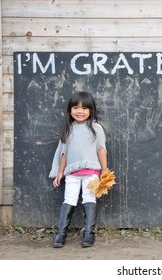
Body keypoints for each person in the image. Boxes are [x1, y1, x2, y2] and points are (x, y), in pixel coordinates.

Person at [49, 91, 108, 248]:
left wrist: (105, 171)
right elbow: (64, 154)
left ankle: (89, 234)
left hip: (91, 174)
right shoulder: (69, 130)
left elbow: (101, 150)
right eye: (75, 107)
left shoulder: (96, 128)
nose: (79, 111)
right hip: (72, 175)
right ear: (70, 110)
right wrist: (60, 172)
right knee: (69, 200)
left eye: (84, 108)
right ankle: (60, 234)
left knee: (89, 199)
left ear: (91, 111)